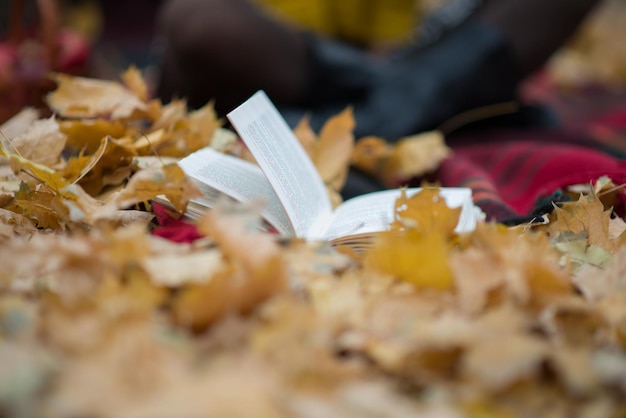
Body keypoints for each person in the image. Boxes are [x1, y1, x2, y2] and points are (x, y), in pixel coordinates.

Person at [155, 0, 599, 141]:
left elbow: (387, 46)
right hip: (290, 75)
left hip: (375, 75)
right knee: (193, 17)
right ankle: (396, 109)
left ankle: (393, 108)